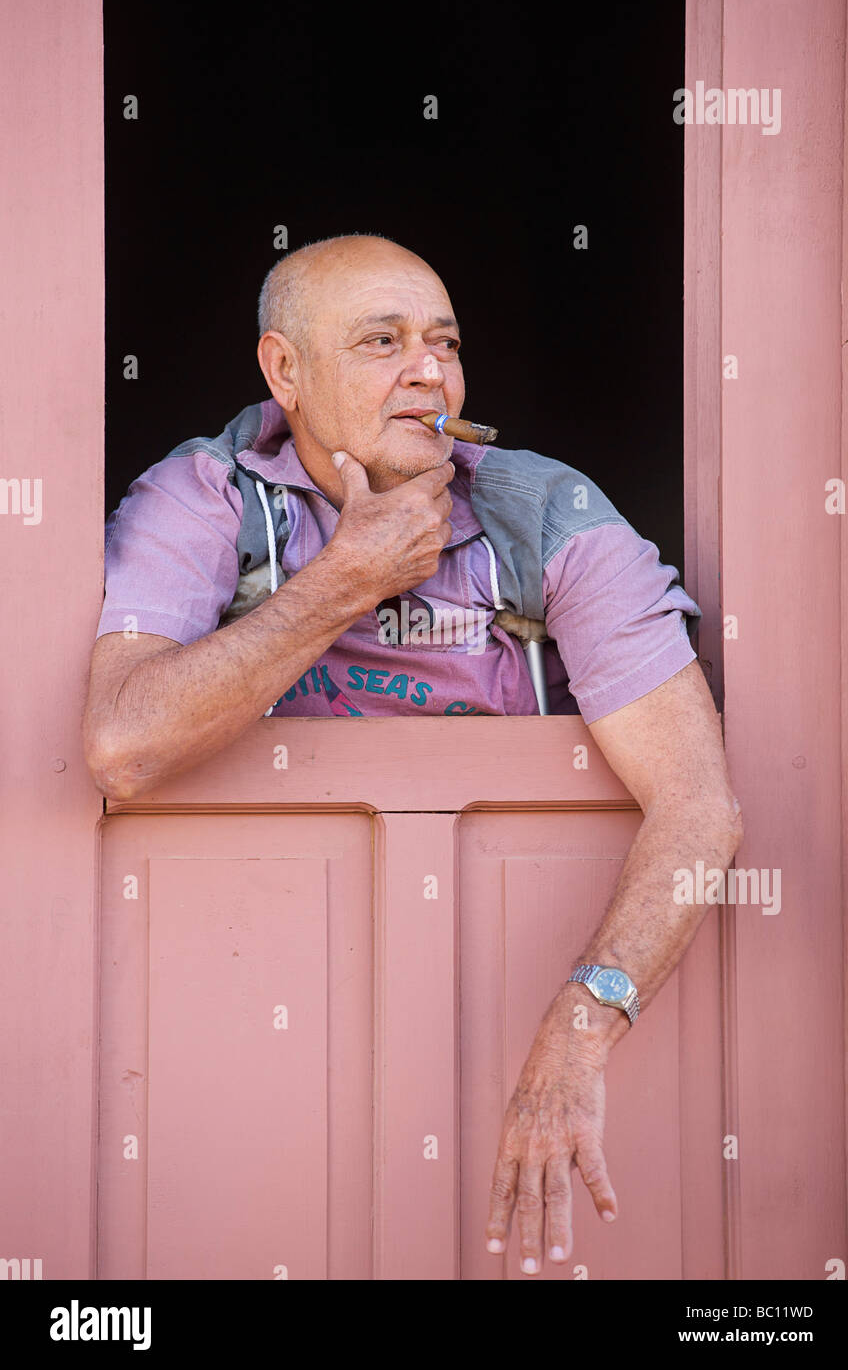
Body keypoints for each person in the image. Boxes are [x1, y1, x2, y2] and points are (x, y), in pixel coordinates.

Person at [83, 233, 743, 1275]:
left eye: (443, 343)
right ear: (283, 371)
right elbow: (121, 744)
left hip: (494, 1014)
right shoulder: (206, 497)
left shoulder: (544, 514)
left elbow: (698, 810)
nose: (428, 372)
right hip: (240, 1015)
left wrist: (578, 1033)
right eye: (381, 342)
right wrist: (345, 580)